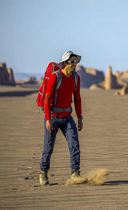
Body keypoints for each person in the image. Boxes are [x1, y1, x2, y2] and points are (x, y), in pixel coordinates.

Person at [39, 51, 87, 185]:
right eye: (72, 62)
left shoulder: (76, 78)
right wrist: (48, 119)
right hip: (53, 117)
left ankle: (75, 174)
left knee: (74, 146)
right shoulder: (56, 77)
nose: (74, 65)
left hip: (67, 117)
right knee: (48, 148)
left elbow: (77, 98)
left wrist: (79, 117)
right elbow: (47, 98)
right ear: (65, 63)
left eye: (76, 62)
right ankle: (43, 173)